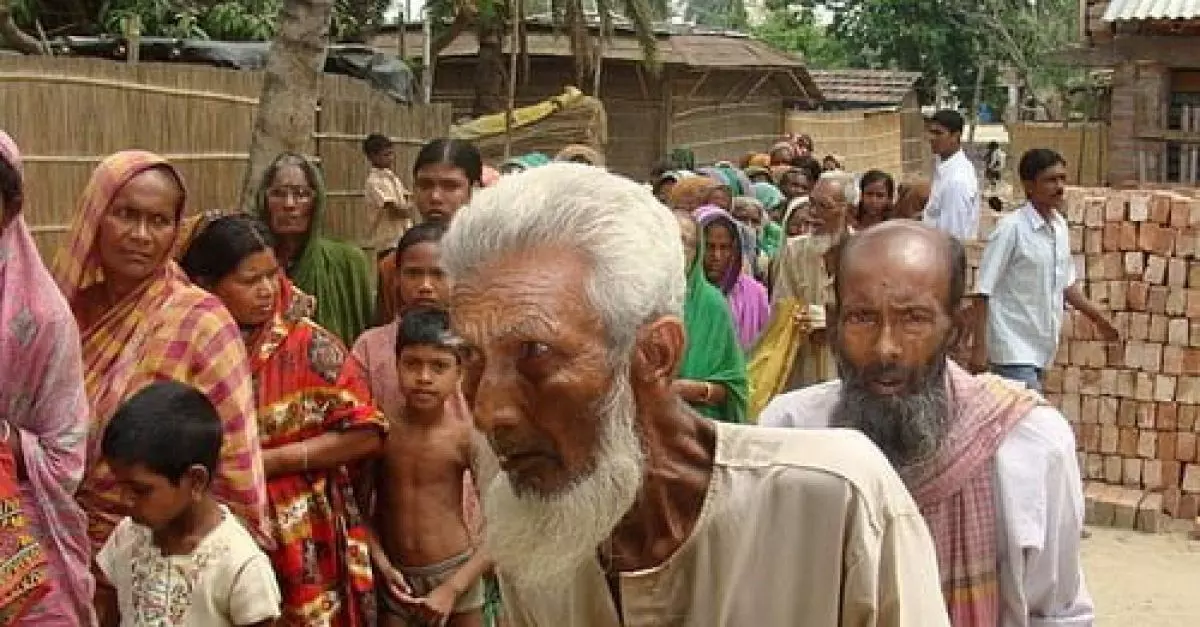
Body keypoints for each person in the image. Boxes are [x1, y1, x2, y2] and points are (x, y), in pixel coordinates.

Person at [441, 163, 950, 626]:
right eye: (470, 359)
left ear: (655, 355)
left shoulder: (835, 501)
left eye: (535, 353)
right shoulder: (533, 524)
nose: (487, 412)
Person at [760, 222, 1095, 626]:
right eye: (862, 318)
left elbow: (1057, 615)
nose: (886, 347)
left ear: (955, 329)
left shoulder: (1029, 445)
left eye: (914, 319)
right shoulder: (790, 435)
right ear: (833, 326)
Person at [51, 150, 267, 555]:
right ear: (95, 215)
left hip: (159, 554)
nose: (141, 235)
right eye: (126, 215)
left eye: (159, 221)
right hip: (54, 542)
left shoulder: (200, 321)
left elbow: (233, 460)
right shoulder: (61, 315)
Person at [181, 215, 388, 625]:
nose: (266, 291)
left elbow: (369, 435)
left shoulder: (308, 344)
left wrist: (274, 462)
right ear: (207, 285)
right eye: (249, 280)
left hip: (302, 535)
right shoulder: (185, 346)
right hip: (213, 527)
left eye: (272, 275)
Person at [0, 131, 94, 625]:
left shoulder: (40, 318)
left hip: (17, 535)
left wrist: (4, 439)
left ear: (10, 207)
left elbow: (64, 454)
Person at [95, 381, 282, 627]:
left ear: (195, 481)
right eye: (121, 486)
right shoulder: (127, 537)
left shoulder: (240, 565)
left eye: (140, 490)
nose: (125, 500)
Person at [369, 308, 492, 627]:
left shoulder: (466, 438)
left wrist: (454, 587)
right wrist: (381, 563)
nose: (424, 377)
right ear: (396, 365)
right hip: (396, 578)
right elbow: (354, 507)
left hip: (455, 573)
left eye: (439, 366)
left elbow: (503, 527)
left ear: (459, 373)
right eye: (412, 364)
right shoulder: (379, 431)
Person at [974, 149, 1119, 391]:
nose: (1060, 187)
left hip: (1041, 346)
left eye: (1063, 179)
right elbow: (983, 291)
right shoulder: (1012, 229)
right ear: (1029, 186)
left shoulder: (1058, 227)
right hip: (1012, 348)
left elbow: (1066, 284)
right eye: (1051, 180)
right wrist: (979, 351)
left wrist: (1098, 318)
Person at [749, 172, 853, 417]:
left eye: (823, 206)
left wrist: (832, 322)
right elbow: (781, 314)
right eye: (812, 203)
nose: (812, 214)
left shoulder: (866, 254)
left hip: (847, 373)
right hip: (803, 369)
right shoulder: (795, 252)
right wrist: (798, 319)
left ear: (848, 211)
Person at [256, 152, 375, 344]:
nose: (289, 204)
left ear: (317, 201)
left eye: (301, 194)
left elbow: (365, 341)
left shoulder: (347, 263)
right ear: (263, 201)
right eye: (278, 194)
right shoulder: (249, 266)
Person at [377, 138, 482, 326]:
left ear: (473, 189)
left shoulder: (493, 261)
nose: (435, 197)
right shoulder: (392, 266)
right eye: (425, 185)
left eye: (450, 186)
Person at [675, 213, 749, 423]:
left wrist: (694, 390)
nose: (679, 251)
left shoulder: (711, 304)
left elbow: (734, 386)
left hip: (695, 427)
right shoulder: (637, 301)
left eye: (687, 243)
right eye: (673, 241)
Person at [696, 205, 770, 350]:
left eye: (724, 248)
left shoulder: (755, 294)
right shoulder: (682, 293)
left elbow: (765, 346)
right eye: (709, 246)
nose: (716, 256)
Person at [924, 110, 981, 240]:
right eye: (930, 132)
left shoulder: (956, 181)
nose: (931, 138)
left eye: (938, 133)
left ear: (955, 136)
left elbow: (952, 238)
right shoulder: (944, 166)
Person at [362, 133, 415, 256]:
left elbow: (405, 198)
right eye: (386, 155)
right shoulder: (374, 182)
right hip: (388, 242)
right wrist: (409, 208)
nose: (391, 158)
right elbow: (395, 209)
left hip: (402, 237)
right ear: (372, 157)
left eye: (391, 154)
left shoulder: (393, 178)